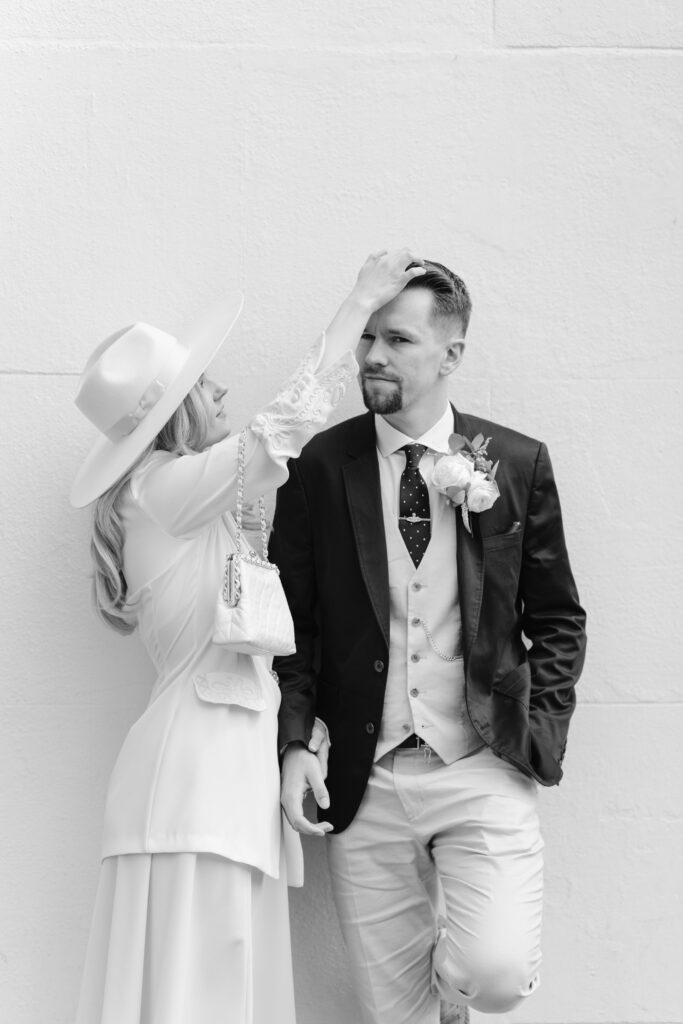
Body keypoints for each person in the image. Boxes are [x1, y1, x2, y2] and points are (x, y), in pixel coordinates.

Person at [70, 249, 426, 1024]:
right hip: (195, 797)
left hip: (214, 793)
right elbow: (280, 432)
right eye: (205, 381)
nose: (223, 388)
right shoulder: (159, 491)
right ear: (176, 413)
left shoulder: (185, 502)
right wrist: (354, 305)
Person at [272, 259, 587, 1024]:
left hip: (480, 763)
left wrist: (537, 733)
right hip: (365, 774)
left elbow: (556, 619)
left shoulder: (513, 462)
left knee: (496, 975)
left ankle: (456, 980)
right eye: (368, 337)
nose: (372, 355)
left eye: (398, 339)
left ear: (450, 354)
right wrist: (292, 745)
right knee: (393, 1014)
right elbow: (295, 626)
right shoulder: (319, 464)